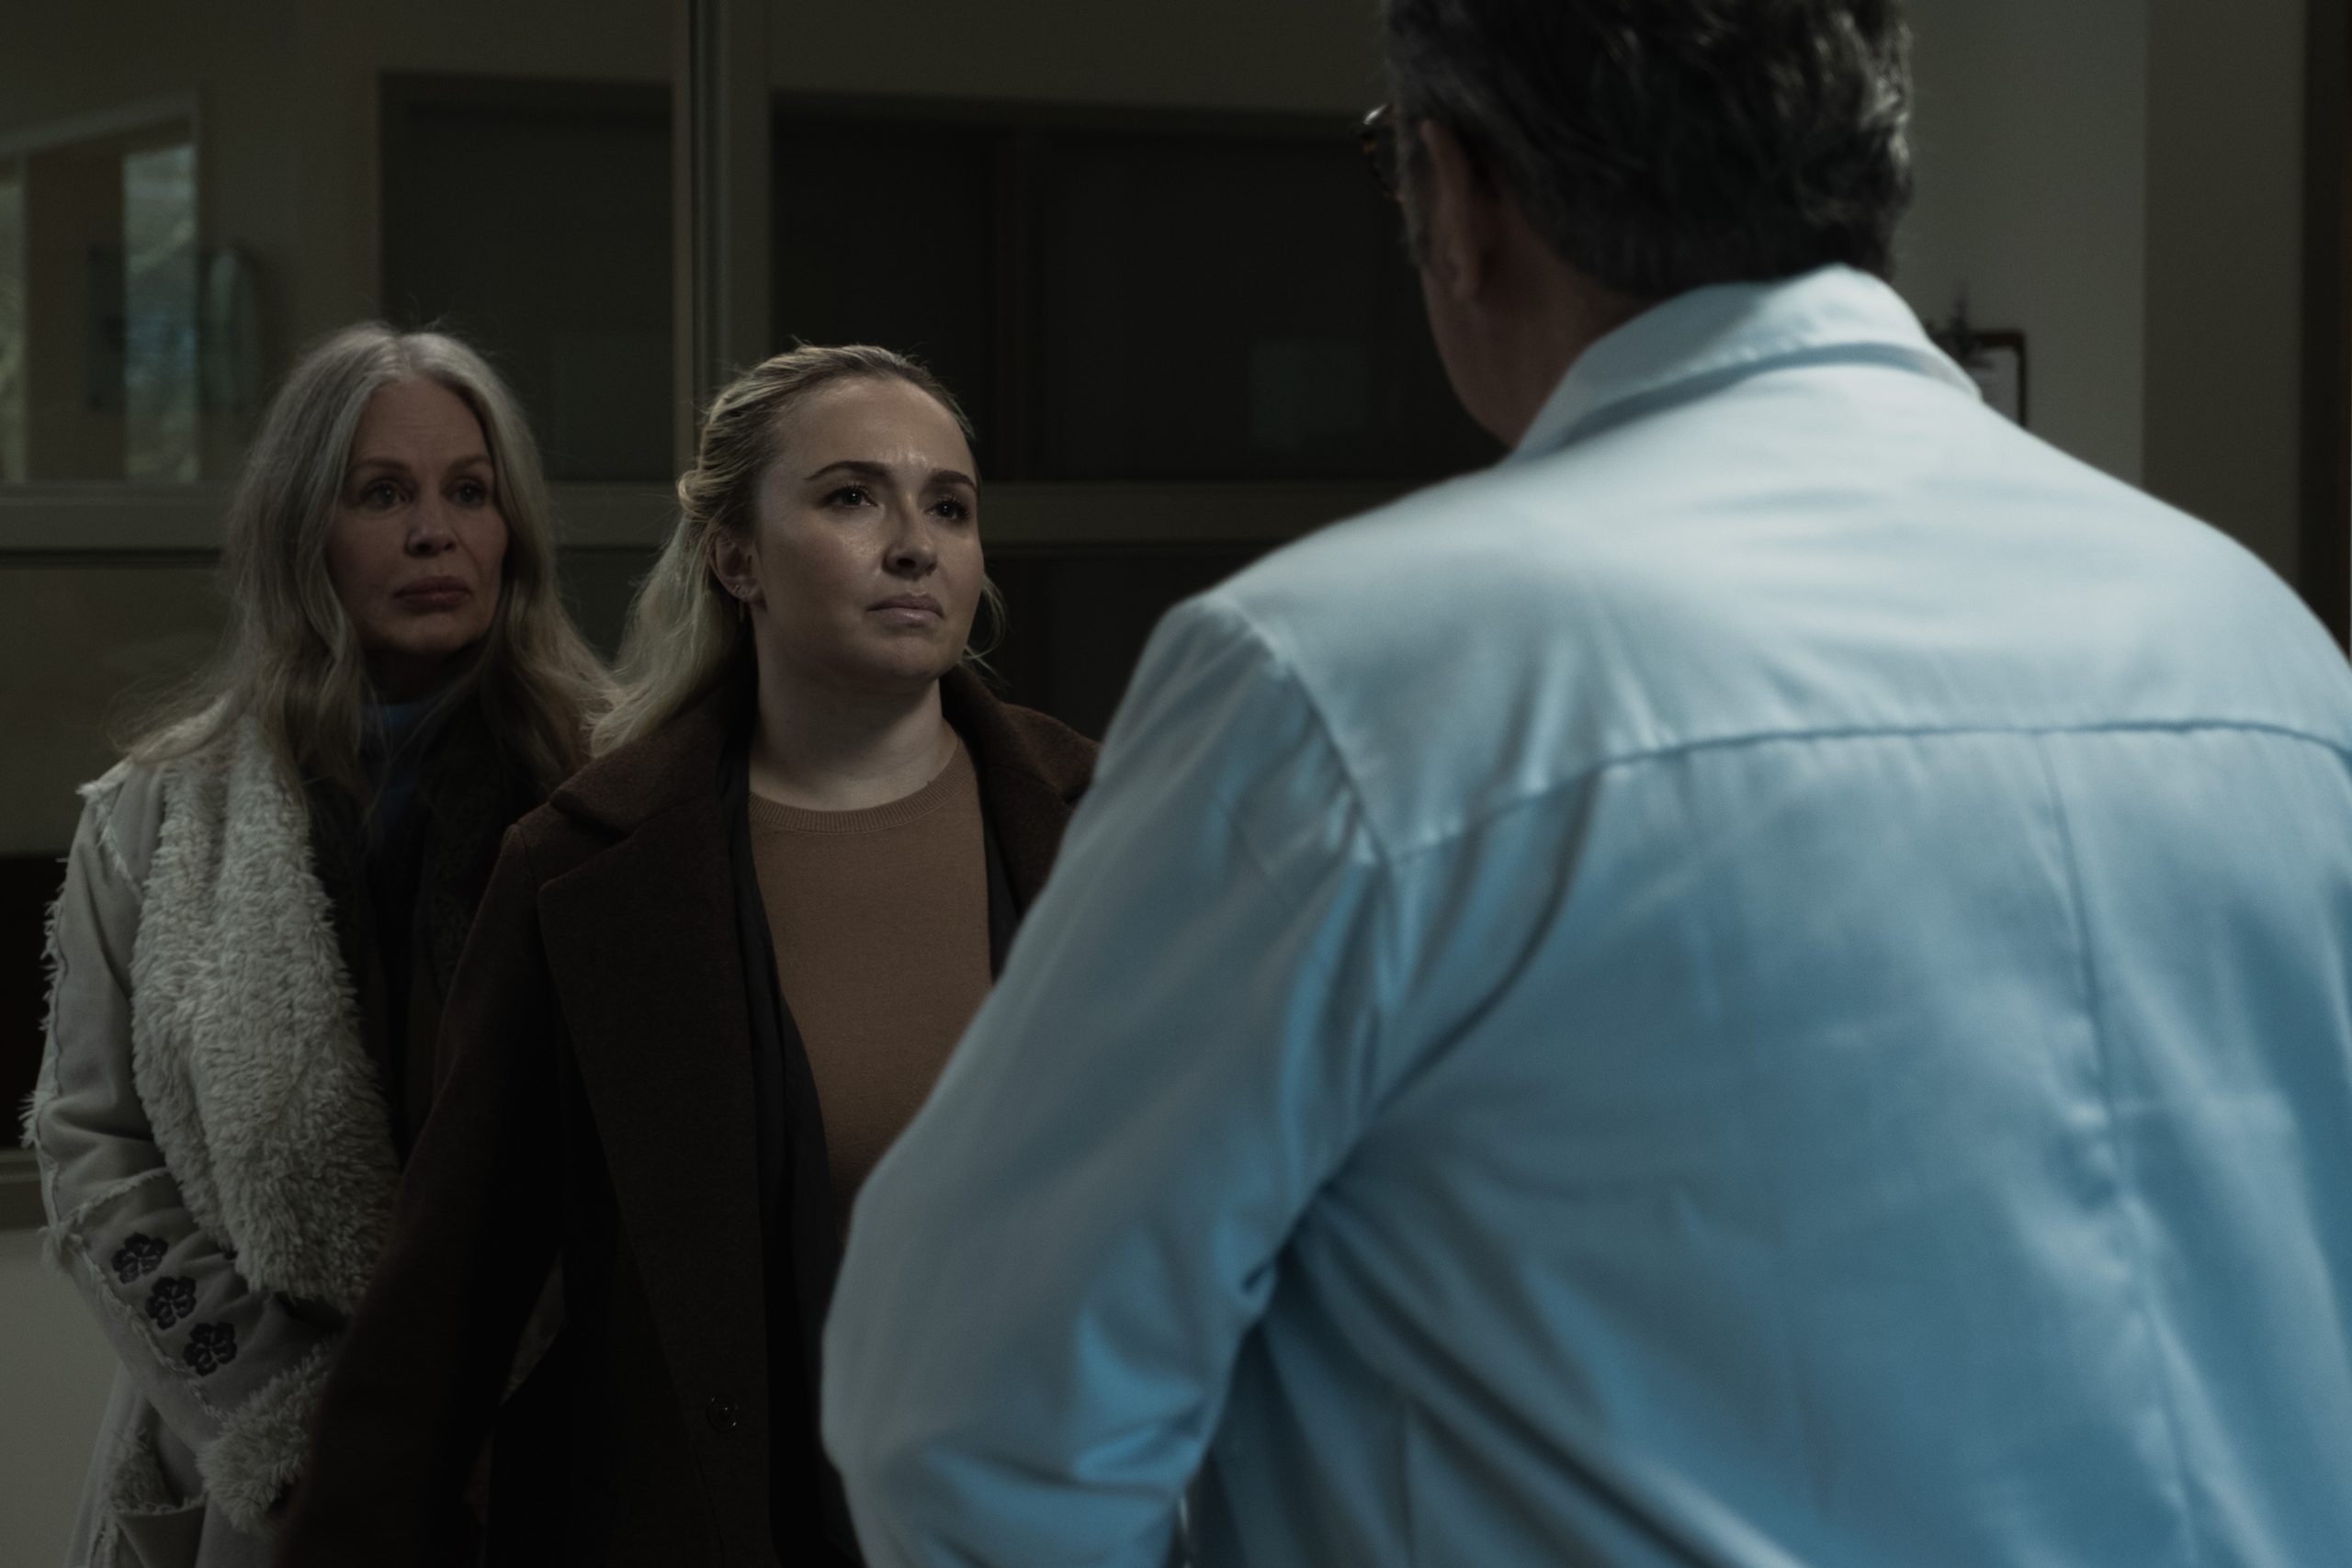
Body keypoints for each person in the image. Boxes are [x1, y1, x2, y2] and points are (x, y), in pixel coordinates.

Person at [819, 2, 2352, 1564]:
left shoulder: (1349, 685)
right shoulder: (2262, 654)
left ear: (1459, 200)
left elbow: (969, 1423)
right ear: (1870, 176)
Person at [272, 345, 1099, 1566]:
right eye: (852, 496)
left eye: (951, 505)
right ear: (737, 555)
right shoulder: (587, 868)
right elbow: (445, 1305)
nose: (915, 543)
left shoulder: (1112, 821)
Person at [24, 324, 608, 1568]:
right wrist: (298, 1430)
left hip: (554, 1449)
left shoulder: (618, 793)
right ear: (304, 532)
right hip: (257, 1467)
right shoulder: (152, 816)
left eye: (469, 492)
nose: (434, 533)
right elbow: (91, 1147)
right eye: (382, 495)